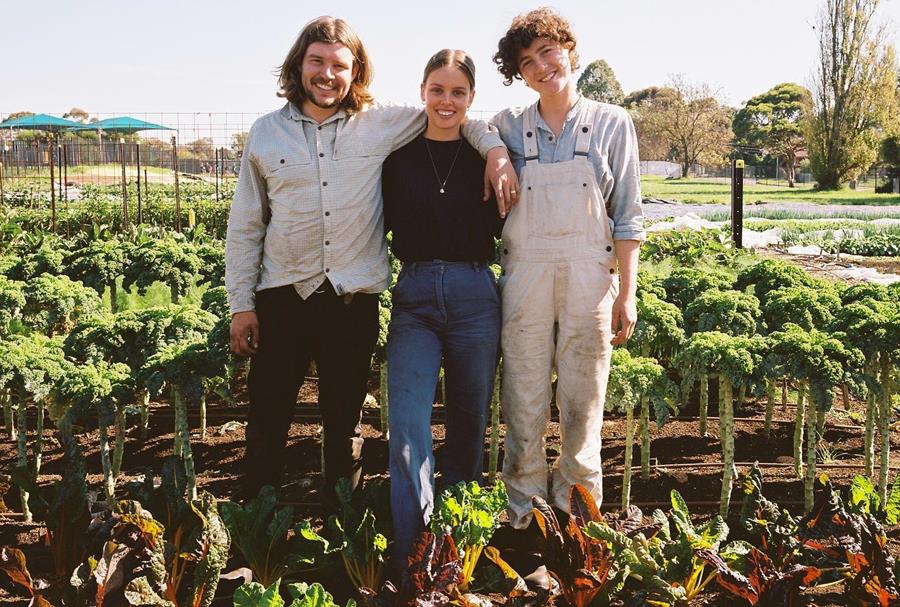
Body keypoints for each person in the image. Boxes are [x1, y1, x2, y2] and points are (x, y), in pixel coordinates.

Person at [225, 16, 517, 506]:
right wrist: (241, 303)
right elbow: (246, 224)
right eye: (317, 61)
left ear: (355, 71)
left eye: (340, 65)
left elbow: (455, 112)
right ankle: (258, 532)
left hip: (350, 300)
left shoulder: (379, 121)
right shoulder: (265, 134)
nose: (327, 74)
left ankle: (346, 532)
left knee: (343, 424)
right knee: (268, 418)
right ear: (299, 64)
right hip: (282, 296)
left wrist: (495, 153)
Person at [489, 8, 645, 529]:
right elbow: (465, 127)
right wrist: (495, 154)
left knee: (583, 401)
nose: (540, 66)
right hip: (525, 276)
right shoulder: (508, 126)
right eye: (526, 61)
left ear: (568, 50)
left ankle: (579, 519)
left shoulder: (612, 122)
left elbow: (627, 214)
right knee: (523, 398)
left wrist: (628, 291)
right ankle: (524, 518)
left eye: (547, 52)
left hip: (590, 278)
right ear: (519, 73)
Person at [381, 49, 502, 564]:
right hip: (415, 298)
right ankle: (414, 548)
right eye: (437, 90)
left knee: (469, 423)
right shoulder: (397, 157)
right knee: (408, 423)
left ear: (471, 98)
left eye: (457, 92)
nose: (446, 101)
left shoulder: (490, 157)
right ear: (422, 92)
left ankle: (455, 548)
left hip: (477, 294)